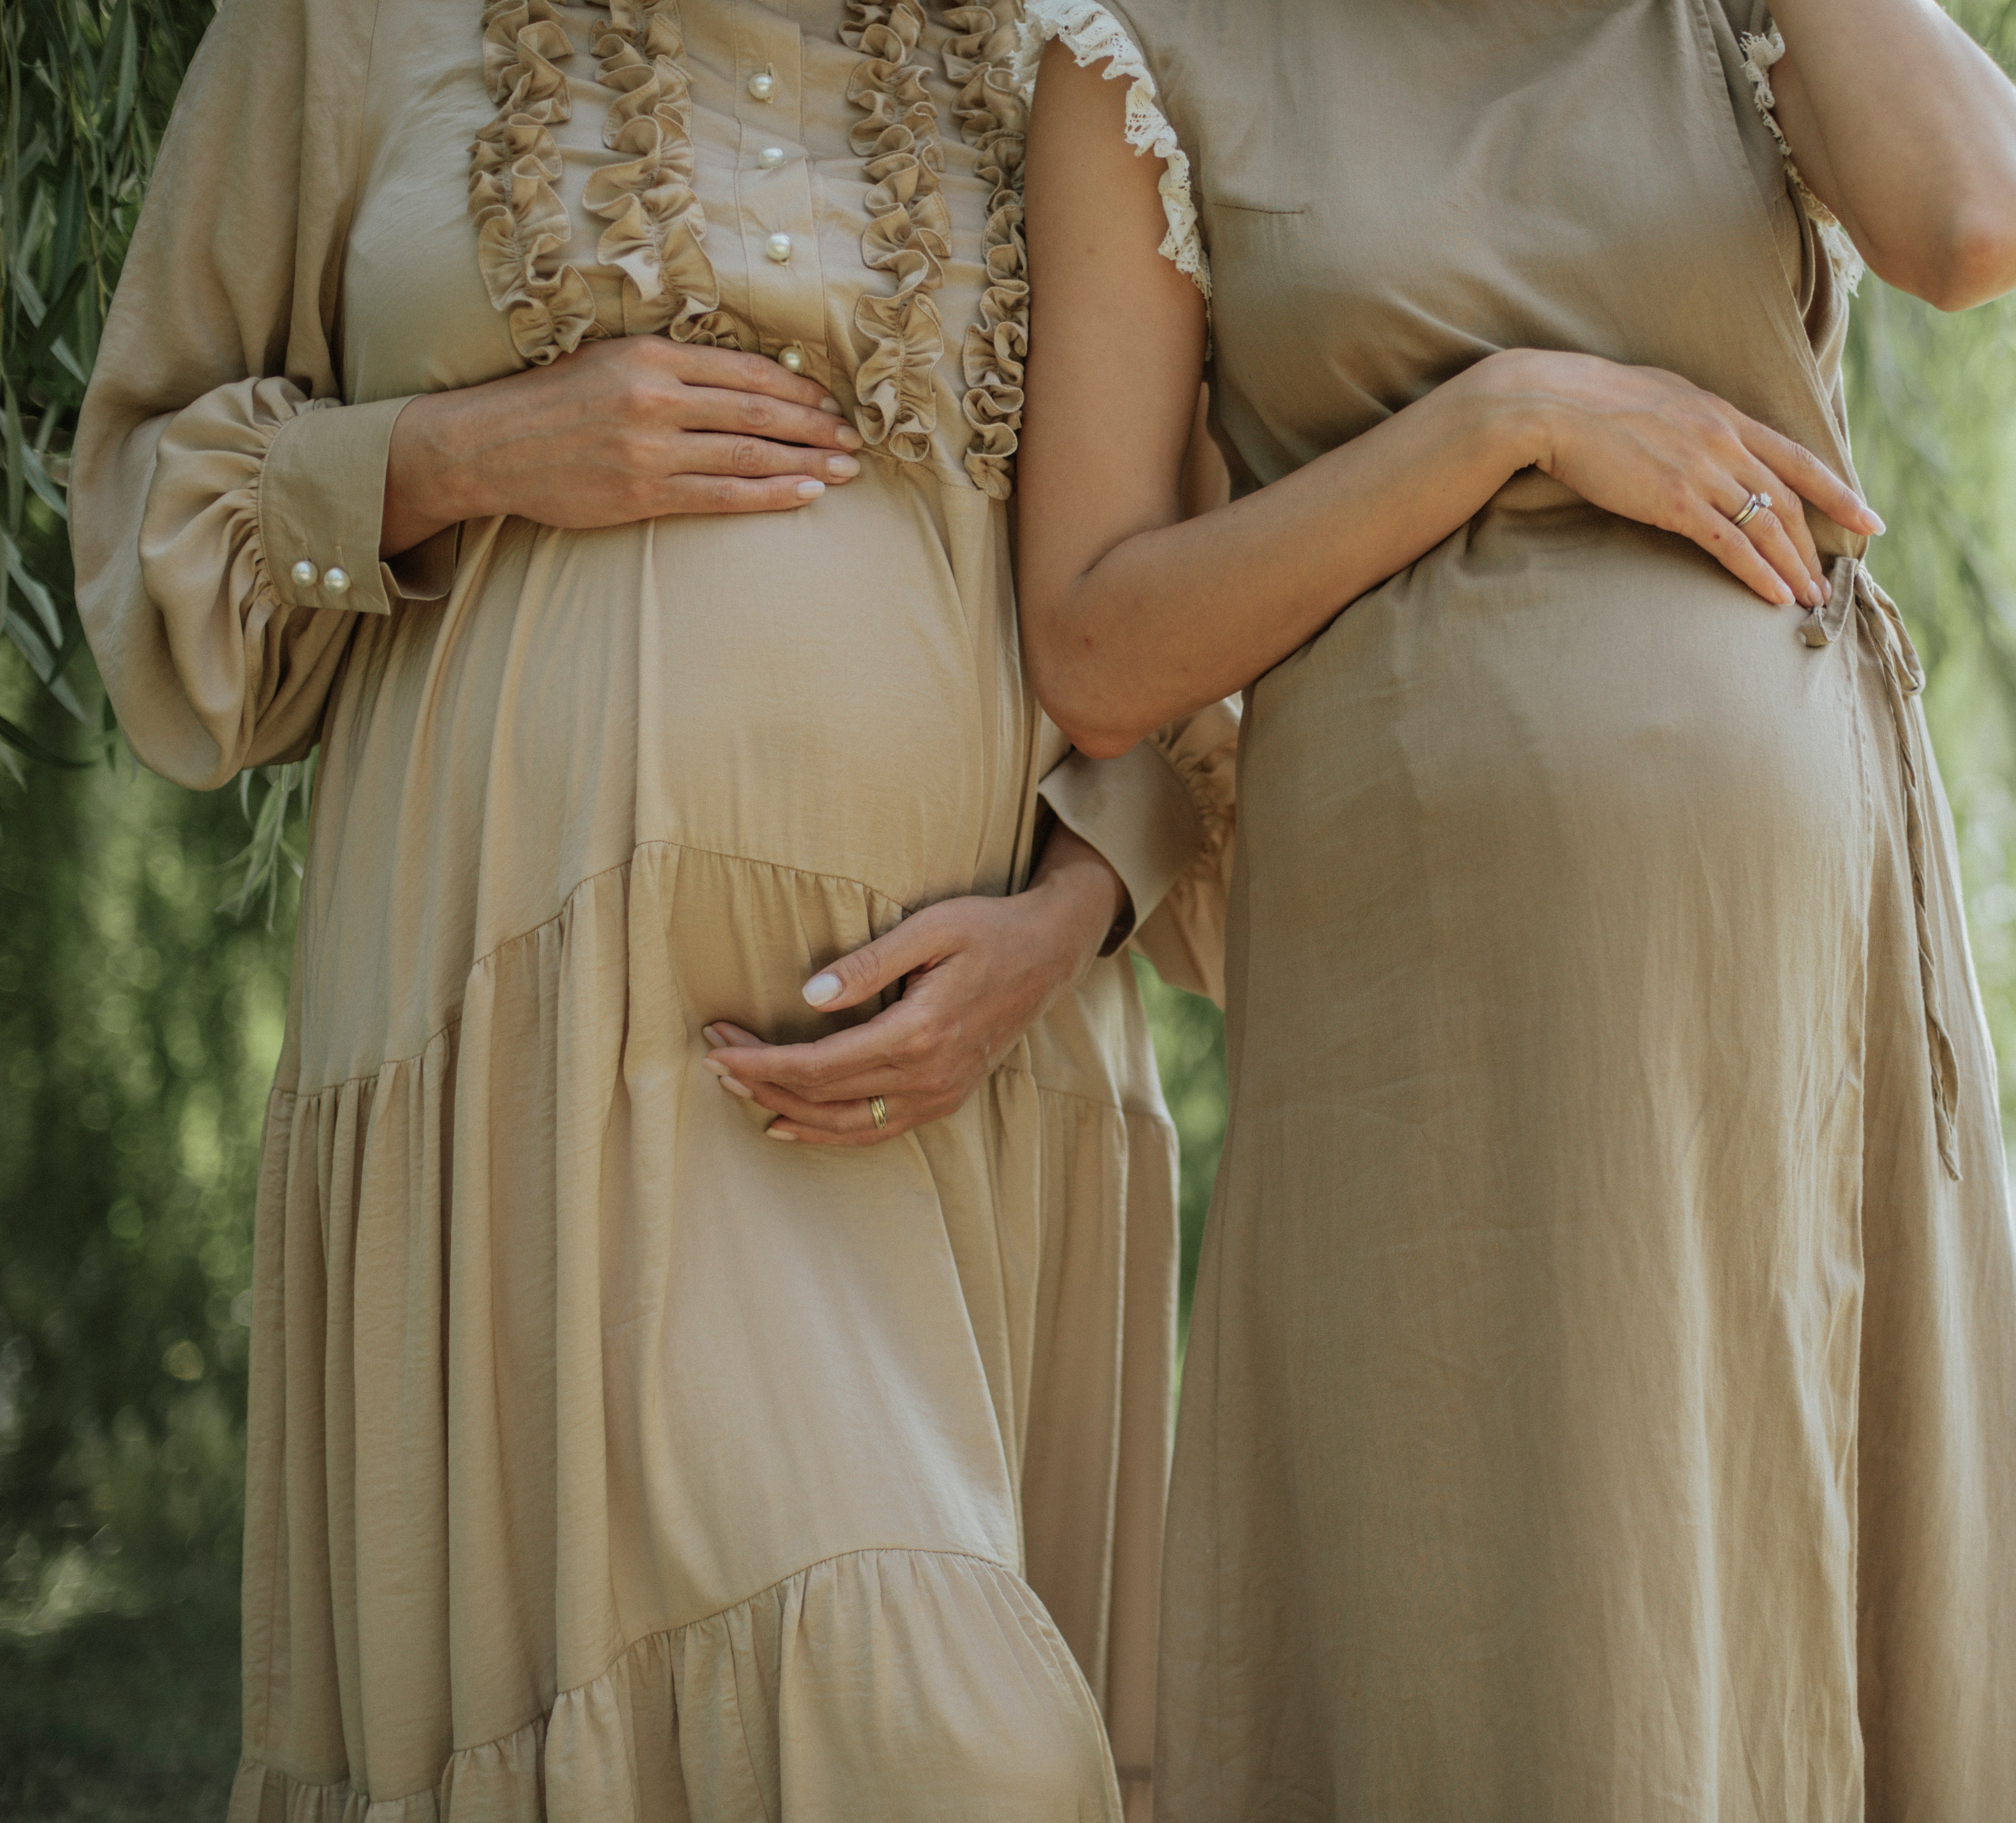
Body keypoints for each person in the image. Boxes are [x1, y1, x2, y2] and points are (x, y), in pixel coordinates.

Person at [74, 0, 1231, 1815]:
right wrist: (465, 454)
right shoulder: (343, 26)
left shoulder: (1067, 45)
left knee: (961, 1751)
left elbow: (1183, 587)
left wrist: (1078, 911)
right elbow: (147, 514)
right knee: (939, 1755)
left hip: (964, 1084)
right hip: (538, 1067)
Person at [1016, 0, 2016, 1816]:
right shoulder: (1145, 49)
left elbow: (1976, 227)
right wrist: (1505, 422)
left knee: (1795, 1588)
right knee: (1483, 1611)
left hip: (1780, 987)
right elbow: (1100, 644)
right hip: (1425, 1008)